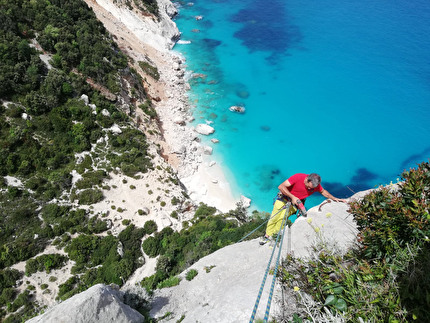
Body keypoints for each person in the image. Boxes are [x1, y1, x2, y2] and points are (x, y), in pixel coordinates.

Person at [259, 173, 347, 245]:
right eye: (308, 186)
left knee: (282, 219)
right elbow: (281, 187)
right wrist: (292, 197)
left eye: (311, 189)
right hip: (284, 199)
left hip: (295, 203)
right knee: (274, 217)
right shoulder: (298, 177)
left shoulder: (314, 185)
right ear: (307, 179)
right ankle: (267, 236)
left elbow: (323, 192)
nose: (309, 189)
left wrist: (334, 198)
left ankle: (275, 236)